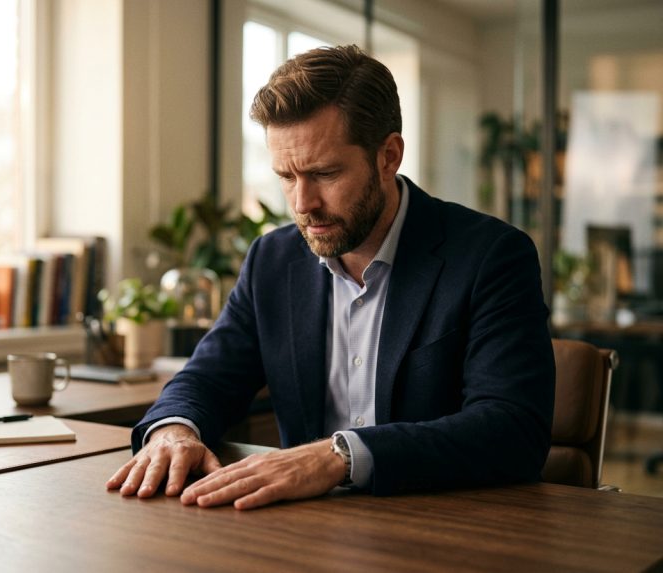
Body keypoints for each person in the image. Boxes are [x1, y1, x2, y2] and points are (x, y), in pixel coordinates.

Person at [106, 44, 555, 510]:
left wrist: (337, 457)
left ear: (389, 156)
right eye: (286, 176)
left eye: (323, 173)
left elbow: (512, 429)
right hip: (306, 532)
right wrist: (174, 429)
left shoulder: (491, 256)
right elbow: (208, 377)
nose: (302, 204)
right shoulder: (272, 260)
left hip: (443, 528)